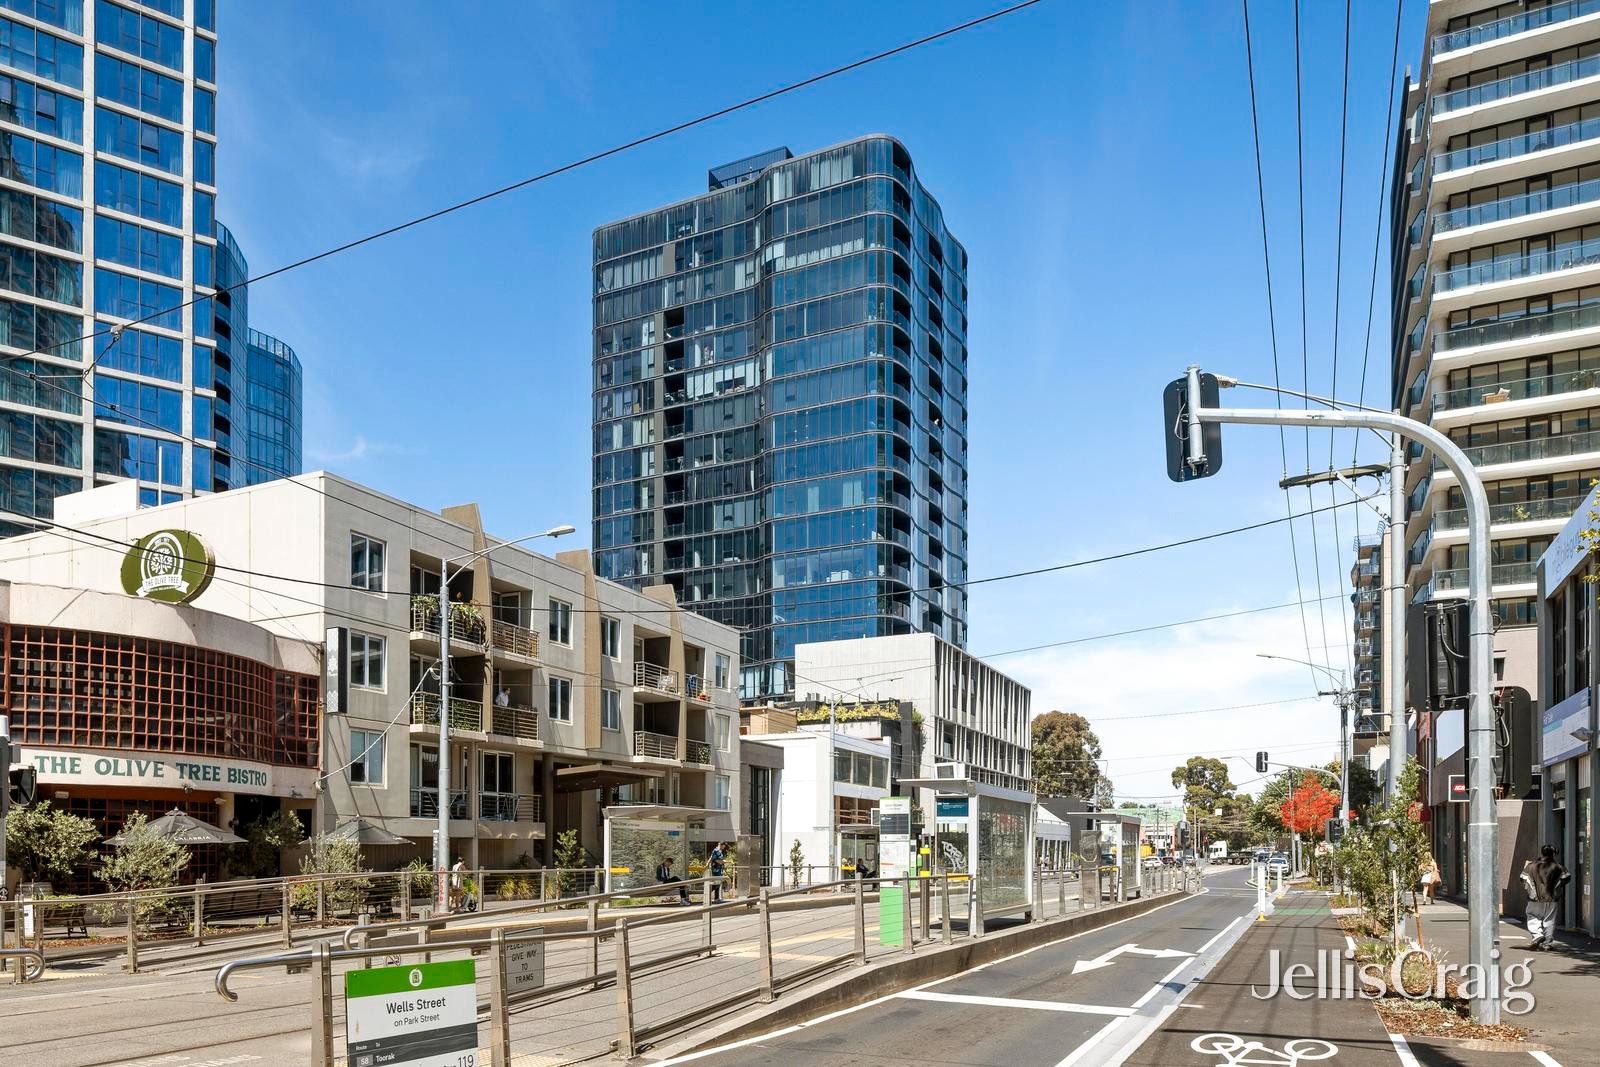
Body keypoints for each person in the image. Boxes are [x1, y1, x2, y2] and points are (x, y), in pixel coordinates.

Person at [1520, 844, 1572, 950]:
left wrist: (1530, 890)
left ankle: (1537, 935)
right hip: (1552, 897)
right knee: (1550, 919)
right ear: (1553, 854)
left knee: (1532, 915)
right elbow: (1567, 877)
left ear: (1542, 852)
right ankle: (1547, 943)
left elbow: (1522, 878)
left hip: (1534, 897)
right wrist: (1558, 887)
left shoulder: (1531, 866)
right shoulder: (1558, 866)